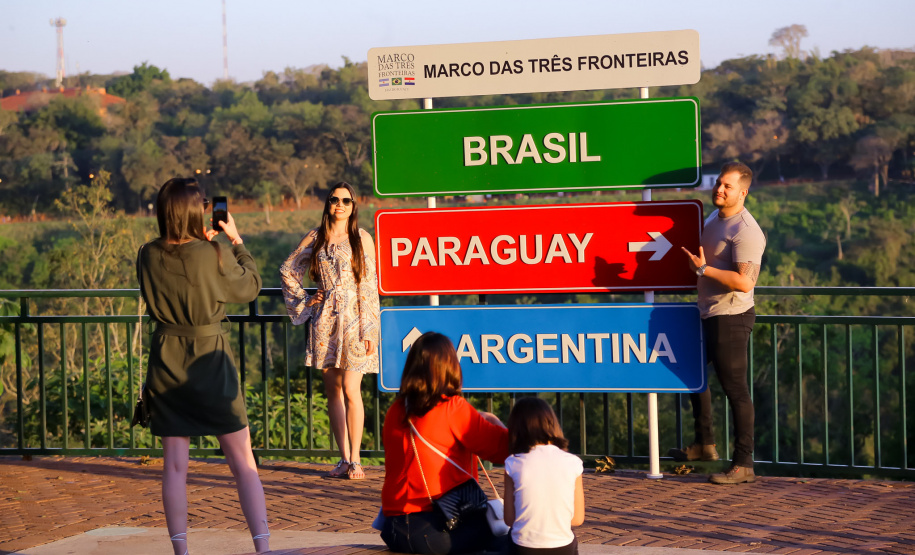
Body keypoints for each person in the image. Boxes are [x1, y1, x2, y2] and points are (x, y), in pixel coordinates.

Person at [137, 177, 269, 554]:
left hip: (166, 361)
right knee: (243, 462)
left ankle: (181, 550)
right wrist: (235, 243)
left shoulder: (147, 253)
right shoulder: (212, 252)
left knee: (175, 467)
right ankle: (263, 547)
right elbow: (249, 287)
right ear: (196, 211)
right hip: (210, 360)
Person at [671, 161, 766, 485]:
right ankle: (705, 445)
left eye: (727, 186)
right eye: (718, 184)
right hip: (706, 313)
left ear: (743, 191)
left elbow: (744, 282)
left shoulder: (746, 231)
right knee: (691, 374)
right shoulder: (715, 217)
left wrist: (704, 270)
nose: (719, 190)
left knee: (736, 391)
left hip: (732, 317)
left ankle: (743, 464)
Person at [280, 182, 380, 480]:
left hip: (355, 316)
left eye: (346, 201)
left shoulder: (361, 237)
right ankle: (343, 458)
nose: (340, 205)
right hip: (325, 319)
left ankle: (357, 460)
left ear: (353, 206)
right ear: (328, 203)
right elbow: (288, 270)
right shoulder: (316, 237)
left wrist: (370, 328)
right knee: (333, 390)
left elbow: (370, 285)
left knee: (352, 389)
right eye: (334, 199)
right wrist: (307, 300)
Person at [380, 332, 510, 555]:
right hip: (437, 528)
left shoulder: (397, 409)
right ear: (450, 366)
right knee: (512, 541)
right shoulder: (452, 408)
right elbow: (502, 450)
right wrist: (495, 422)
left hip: (394, 529)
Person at [504, 398, 584, 555]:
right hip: (562, 548)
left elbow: (509, 519)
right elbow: (577, 519)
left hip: (524, 548)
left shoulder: (513, 463)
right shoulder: (573, 462)